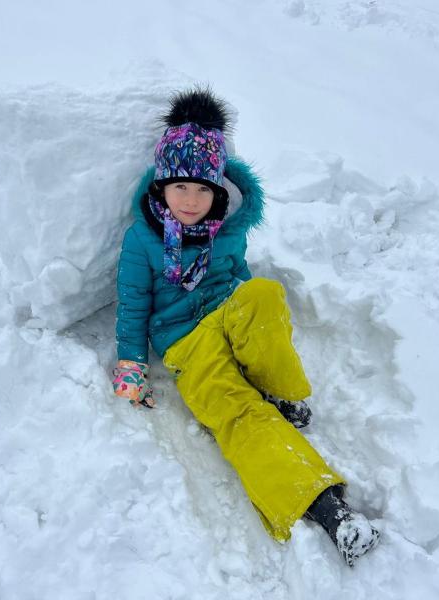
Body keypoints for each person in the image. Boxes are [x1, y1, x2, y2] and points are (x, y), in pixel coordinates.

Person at [112, 87, 379, 566]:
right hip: (185, 343)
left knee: (262, 293)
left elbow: (240, 278)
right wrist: (131, 363)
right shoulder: (142, 238)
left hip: (226, 313)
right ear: (161, 187)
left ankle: (281, 395)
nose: (191, 200)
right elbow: (133, 304)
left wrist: (250, 324)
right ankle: (321, 504)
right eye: (180, 187)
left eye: (202, 189)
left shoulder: (226, 230)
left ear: (217, 191)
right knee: (236, 411)